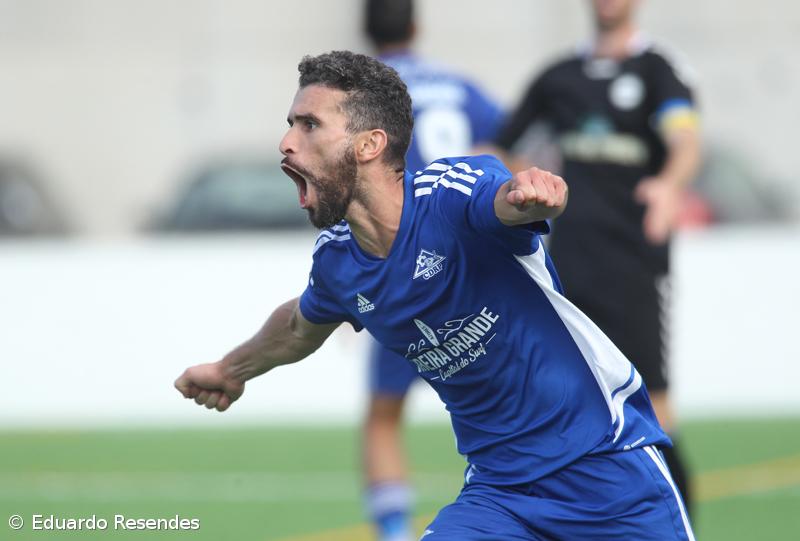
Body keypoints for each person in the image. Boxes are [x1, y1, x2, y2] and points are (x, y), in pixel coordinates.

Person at [174, 50, 695, 540]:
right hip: (500, 496)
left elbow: (501, 200)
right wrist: (230, 370)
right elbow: (296, 328)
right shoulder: (337, 262)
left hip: (606, 468)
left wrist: (533, 194)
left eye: (309, 125)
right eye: (290, 124)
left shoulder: (450, 193)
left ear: (369, 144)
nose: (287, 142)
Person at [490, 0, 701, 515]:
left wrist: (669, 185)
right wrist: (524, 185)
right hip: (569, 268)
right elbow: (497, 147)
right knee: (564, 405)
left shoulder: (657, 70)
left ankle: (675, 525)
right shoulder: (559, 76)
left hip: (635, 266)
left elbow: (686, 140)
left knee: (653, 406)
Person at [362, 1, 504, 539]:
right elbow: (507, 141)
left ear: (366, 31)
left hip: (403, 266)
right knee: (502, 401)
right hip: (472, 260)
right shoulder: (457, 85)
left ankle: (395, 532)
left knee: (384, 415)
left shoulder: (364, 96)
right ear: (416, 26)